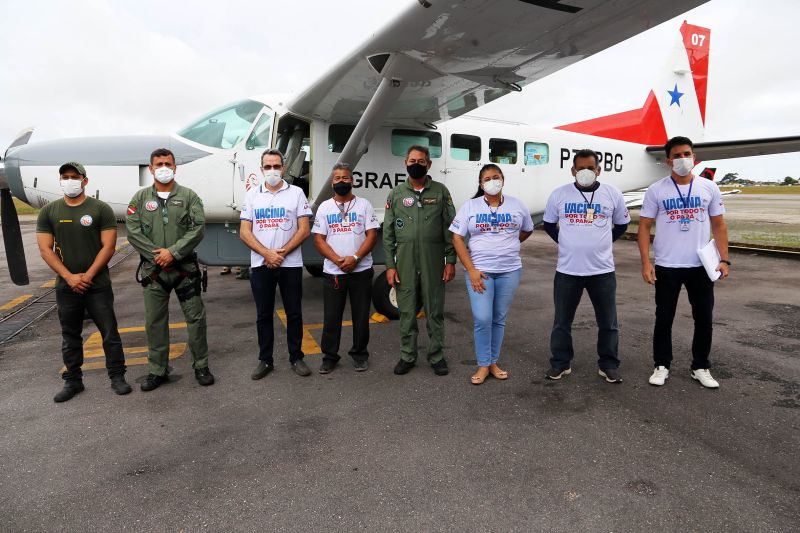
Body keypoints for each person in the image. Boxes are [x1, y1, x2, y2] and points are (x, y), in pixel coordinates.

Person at [638, 136, 730, 389]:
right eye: (676, 155)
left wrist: (724, 259)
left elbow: (719, 225)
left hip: (701, 266)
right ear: (668, 161)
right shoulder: (656, 190)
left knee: (704, 319)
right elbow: (644, 227)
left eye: (686, 154)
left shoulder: (708, 188)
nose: (682, 159)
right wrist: (647, 263)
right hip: (667, 266)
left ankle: (700, 366)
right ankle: (662, 365)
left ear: (694, 157)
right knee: (664, 318)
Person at [36, 162, 131, 402]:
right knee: (70, 335)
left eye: (74, 177)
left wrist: (88, 276)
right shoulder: (49, 211)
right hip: (66, 287)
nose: (69, 181)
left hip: (97, 285)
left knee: (109, 333)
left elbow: (109, 246)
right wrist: (69, 277)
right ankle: (73, 381)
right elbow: (45, 249)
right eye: (65, 177)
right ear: (60, 180)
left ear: (85, 180)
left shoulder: (100, 209)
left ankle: (117, 377)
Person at [126, 148, 214, 391]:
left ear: (174, 167)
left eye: (168, 163)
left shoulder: (189, 197)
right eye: (159, 164)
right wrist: (158, 256)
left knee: (196, 319)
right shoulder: (140, 199)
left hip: (184, 270)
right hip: (154, 272)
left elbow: (198, 228)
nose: (163, 167)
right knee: (154, 321)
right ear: (151, 169)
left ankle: (201, 365)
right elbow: (133, 232)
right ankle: (157, 370)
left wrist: (173, 252)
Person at [542, 149, 630, 383]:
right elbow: (549, 224)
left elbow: (622, 224)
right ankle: (560, 363)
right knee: (561, 322)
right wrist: (566, 242)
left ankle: (608, 364)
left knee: (608, 322)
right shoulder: (559, 194)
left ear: (598, 170)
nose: (585, 172)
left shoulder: (612, 194)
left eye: (590, 168)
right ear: (573, 171)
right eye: (580, 168)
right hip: (567, 271)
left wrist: (603, 242)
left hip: (602, 271)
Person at [449, 164, 533, 385]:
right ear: (481, 183)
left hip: (509, 271)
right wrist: (471, 270)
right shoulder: (470, 206)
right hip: (480, 272)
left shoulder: (517, 205)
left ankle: (491, 362)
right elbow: (457, 238)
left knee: (498, 319)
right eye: (487, 178)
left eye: (496, 177)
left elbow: (526, 230)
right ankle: (483, 363)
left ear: (503, 180)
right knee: (483, 318)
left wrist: (510, 245)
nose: (492, 181)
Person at [383, 145, 457, 376]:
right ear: (405, 163)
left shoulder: (441, 191)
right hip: (404, 261)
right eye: (412, 160)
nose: (416, 164)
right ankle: (408, 355)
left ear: (429, 164)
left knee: (434, 309)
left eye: (421, 161)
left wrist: (451, 260)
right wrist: (390, 265)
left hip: (433, 259)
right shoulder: (395, 194)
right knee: (406, 311)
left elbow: (450, 229)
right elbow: (388, 234)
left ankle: (436, 356)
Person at [240, 148, 313, 379]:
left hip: (290, 264)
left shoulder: (297, 193)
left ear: (283, 168)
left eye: (276, 166)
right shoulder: (252, 195)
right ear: (262, 169)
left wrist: (281, 253)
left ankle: (296, 357)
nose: (272, 170)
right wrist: (266, 254)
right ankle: (265, 360)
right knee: (263, 314)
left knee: (294, 313)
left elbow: (304, 229)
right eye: (268, 167)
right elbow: (244, 232)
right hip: (262, 265)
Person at [312, 163, 380, 374]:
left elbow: (372, 235)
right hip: (334, 272)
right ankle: (330, 356)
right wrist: (338, 259)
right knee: (332, 316)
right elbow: (319, 239)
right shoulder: (324, 207)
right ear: (332, 182)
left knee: (361, 316)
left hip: (361, 271)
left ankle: (360, 354)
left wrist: (356, 257)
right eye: (337, 178)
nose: (341, 181)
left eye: (345, 178)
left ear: (352, 180)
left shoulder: (364, 205)